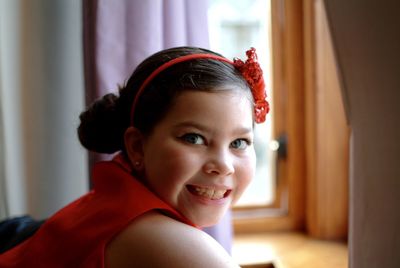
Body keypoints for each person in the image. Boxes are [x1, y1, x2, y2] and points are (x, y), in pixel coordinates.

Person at [0, 46, 269, 267]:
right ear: (137, 146)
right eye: (193, 138)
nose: (223, 165)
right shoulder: (170, 244)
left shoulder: (117, 195)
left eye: (239, 142)